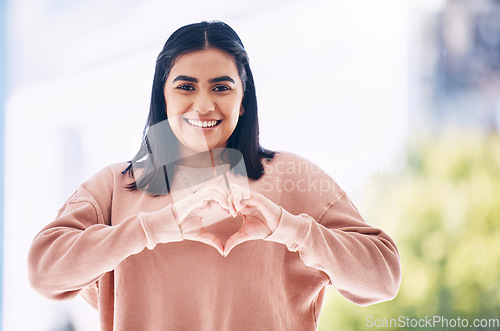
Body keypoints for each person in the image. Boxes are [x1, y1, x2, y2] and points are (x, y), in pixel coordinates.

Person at [28, 21, 401, 330]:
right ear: (164, 96)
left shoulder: (294, 177)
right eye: (185, 86)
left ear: (243, 100)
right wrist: (150, 229)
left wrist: (292, 230)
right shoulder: (115, 187)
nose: (204, 104)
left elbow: (383, 278)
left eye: (221, 87)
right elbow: (45, 273)